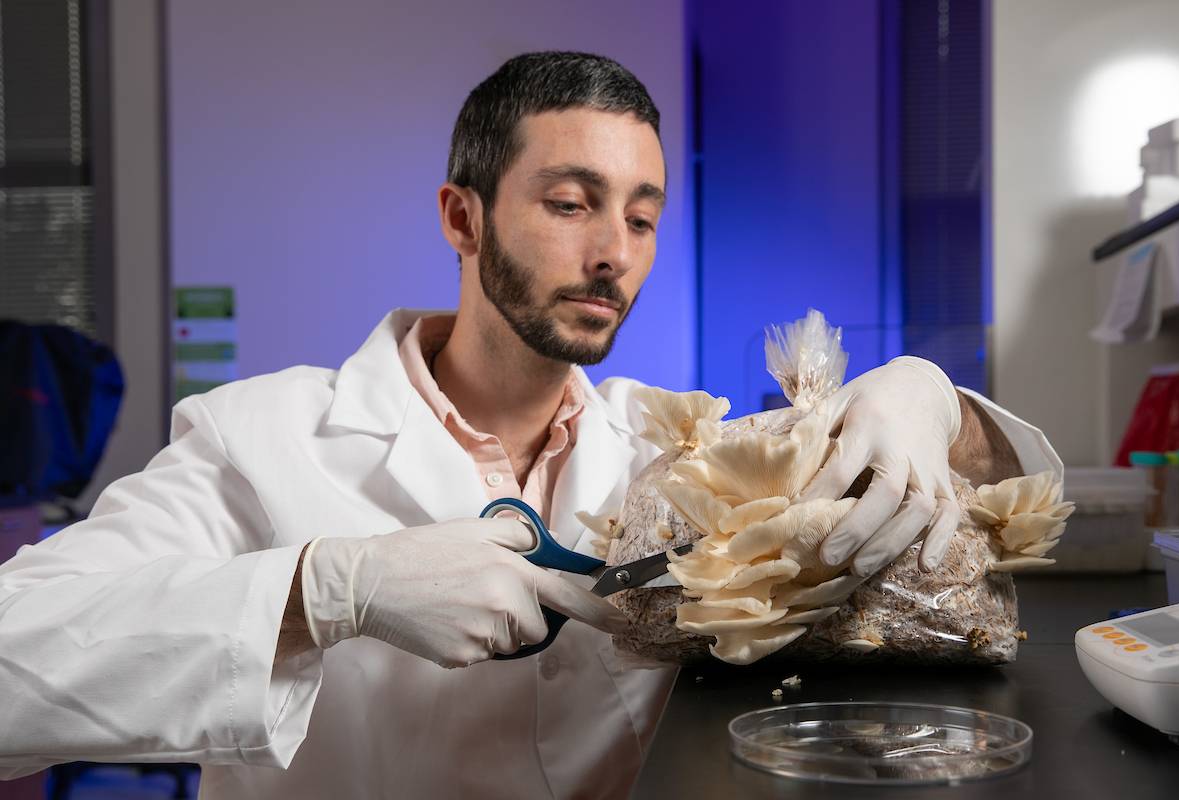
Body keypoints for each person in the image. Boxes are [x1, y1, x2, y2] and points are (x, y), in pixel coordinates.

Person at [0, 52, 1060, 798]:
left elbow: (1007, 499)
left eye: (642, 216)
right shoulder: (259, 436)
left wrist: (929, 394)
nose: (616, 251)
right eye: (571, 202)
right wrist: (326, 588)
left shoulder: (669, 453)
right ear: (463, 217)